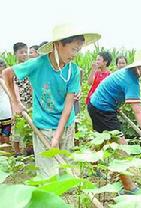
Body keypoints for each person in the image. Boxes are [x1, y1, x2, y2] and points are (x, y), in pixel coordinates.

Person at [3, 23, 101, 178]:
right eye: (73, 49)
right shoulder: (38, 64)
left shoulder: (73, 70)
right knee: (48, 174)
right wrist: (15, 103)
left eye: (78, 50)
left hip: (66, 125)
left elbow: (68, 106)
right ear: (57, 45)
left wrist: (58, 136)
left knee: (65, 170)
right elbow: (7, 73)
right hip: (43, 126)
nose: (75, 54)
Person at [88, 49, 141, 193]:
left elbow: (110, 85)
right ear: (140, 67)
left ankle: (92, 165)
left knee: (101, 139)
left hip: (99, 105)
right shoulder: (131, 81)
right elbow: (138, 111)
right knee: (121, 147)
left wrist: (115, 102)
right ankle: (128, 187)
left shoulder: (129, 74)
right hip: (102, 109)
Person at [11, 42, 31, 156]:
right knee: (17, 128)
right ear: (15, 54)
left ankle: (28, 150)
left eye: (25, 52)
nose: (24, 54)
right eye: (21, 52)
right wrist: (15, 104)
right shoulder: (13, 70)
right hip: (18, 102)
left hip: (30, 101)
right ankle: (17, 153)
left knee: (29, 126)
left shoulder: (30, 68)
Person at [0, 59, 12, 150]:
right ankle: (7, 155)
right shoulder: (6, 78)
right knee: (6, 134)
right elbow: (10, 94)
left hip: (5, 109)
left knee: (3, 136)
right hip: (6, 110)